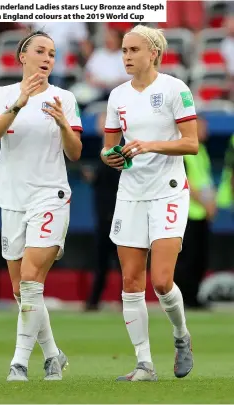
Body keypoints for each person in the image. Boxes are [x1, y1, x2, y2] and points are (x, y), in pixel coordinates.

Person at [0, 30, 83, 381]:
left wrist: (62, 124)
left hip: (49, 197)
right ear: (22, 57)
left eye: (52, 53)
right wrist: (18, 103)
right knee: (20, 290)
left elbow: (75, 152)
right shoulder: (3, 95)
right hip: (12, 198)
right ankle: (53, 354)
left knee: (30, 280)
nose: (47, 58)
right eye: (40, 50)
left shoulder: (64, 98)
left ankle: (19, 363)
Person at [101, 24, 198, 382]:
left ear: (153, 53)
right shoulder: (117, 96)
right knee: (130, 280)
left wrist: (148, 144)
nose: (126, 56)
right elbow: (109, 145)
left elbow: (191, 144)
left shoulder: (175, 89)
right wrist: (110, 156)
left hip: (169, 189)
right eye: (124, 50)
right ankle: (144, 364)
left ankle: (180, 336)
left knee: (160, 281)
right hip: (131, 192)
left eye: (133, 50)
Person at [175, 117, 216, 309]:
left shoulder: (202, 152)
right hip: (188, 213)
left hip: (202, 213)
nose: (206, 130)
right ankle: (184, 297)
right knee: (188, 258)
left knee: (201, 257)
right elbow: (187, 183)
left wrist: (212, 203)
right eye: (202, 127)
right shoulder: (184, 152)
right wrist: (205, 203)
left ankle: (194, 296)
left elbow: (205, 180)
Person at [83, 112, 120, 311]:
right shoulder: (100, 148)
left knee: (120, 259)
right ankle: (94, 300)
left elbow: (114, 181)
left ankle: (126, 299)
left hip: (114, 212)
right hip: (103, 212)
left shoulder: (116, 149)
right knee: (101, 260)